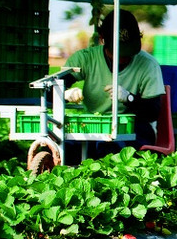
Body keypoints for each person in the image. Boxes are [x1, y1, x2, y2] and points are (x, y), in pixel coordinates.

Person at [62, 9, 165, 152]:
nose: (123, 57)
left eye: (128, 51)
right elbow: (50, 90)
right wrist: (63, 94)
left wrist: (129, 98)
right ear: (103, 39)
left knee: (114, 149)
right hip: (93, 125)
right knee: (68, 149)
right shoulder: (85, 59)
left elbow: (153, 112)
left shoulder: (148, 64)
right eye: (118, 51)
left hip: (133, 127)